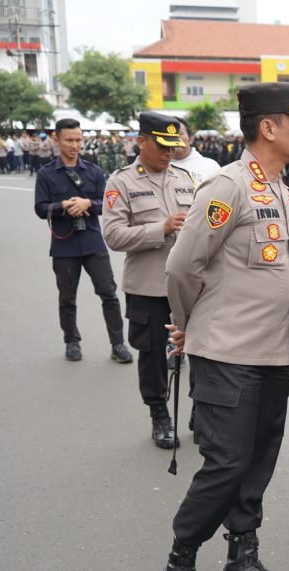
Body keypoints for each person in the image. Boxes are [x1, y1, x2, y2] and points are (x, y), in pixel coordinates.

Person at [156, 83, 289, 571]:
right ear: (268, 128)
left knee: (256, 461)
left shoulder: (277, 186)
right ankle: (180, 562)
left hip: (274, 353)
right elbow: (182, 267)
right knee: (225, 465)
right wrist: (187, 325)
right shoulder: (227, 186)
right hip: (226, 353)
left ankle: (241, 563)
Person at [102, 112, 196, 449]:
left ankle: (200, 409)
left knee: (199, 348)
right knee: (154, 354)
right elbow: (113, 235)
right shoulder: (121, 183)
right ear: (140, 141)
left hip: (188, 286)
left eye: (174, 146)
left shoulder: (186, 179)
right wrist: (161, 229)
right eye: (162, 146)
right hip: (149, 286)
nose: (169, 153)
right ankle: (159, 414)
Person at [34, 118, 131, 364]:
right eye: (69, 140)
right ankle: (72, 341)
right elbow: (40, 208)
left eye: (78, 140)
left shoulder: (95, 172)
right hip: (64, 245)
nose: (75, 145)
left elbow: (109, 204)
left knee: (109, 293)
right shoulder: (46, 174)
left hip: (92, 241)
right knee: (67, 297)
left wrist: (88, 203)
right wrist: (63, 206)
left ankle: (118, 344)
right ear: (57, 140)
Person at [171, 118, 221, 185]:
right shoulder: (155, 166)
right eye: (168, 135)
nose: (174, 138)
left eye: (180, 133)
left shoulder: (211, 166)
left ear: (191, 139)